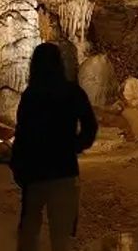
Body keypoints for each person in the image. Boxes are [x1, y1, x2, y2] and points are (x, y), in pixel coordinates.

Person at [12, 42, 98, 251]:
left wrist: (17, 165)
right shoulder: (72, 92)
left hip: (35, 171)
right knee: (62, 234)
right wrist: (75, 145)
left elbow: (22, 133)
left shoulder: (31, 95)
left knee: (29, 230)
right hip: (64, 170)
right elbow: (90, 125)